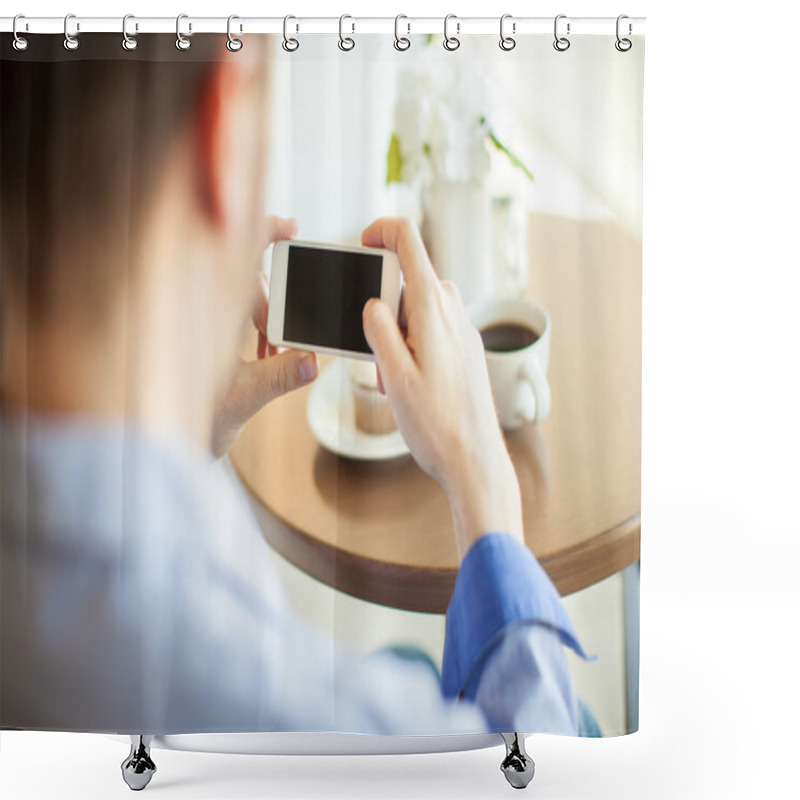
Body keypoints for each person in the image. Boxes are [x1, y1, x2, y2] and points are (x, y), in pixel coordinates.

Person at [0, 35, 585, 736]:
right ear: (223, 116)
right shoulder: (282, 703)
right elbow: (537, 757)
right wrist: (483, 483)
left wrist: (179, 437)